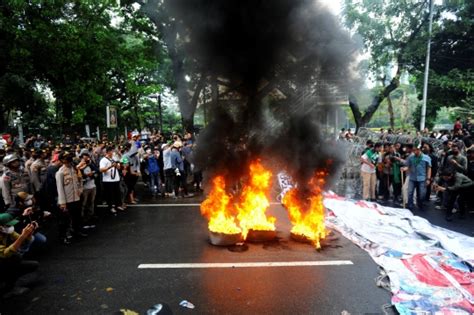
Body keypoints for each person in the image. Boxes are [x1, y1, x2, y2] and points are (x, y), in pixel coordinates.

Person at [0, 213, 39, 297]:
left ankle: (10, 280)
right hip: (2, 262)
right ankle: (9, 288)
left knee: (34, 265)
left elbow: (22, 241)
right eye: (8, 225)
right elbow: (5, 253)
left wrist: (29, 233)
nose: (10, 227)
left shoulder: (8, 231)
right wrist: (23, 235)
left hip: (6, 262)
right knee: (15, 257)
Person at [56, 151, 85, 239]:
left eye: (69, 157)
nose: (69, 159)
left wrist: (80, 189)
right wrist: (62, 202)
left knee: (77, 217)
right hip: (67, 200)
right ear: (61, 160)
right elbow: (60, 188)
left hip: (76, 197)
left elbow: (80, 180)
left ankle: (77, 232)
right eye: (66, 157)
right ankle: (64, 236)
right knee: (66, 220)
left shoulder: (74, 169)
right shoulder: (60, 172)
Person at [397, 144, 431, 211]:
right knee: (410, 192)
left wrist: (428, 179)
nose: (414, 152)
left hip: (422, 178)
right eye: (413, 150)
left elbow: (429, 168)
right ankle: (410, 206)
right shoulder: (411, 157)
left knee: (422, 194)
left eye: (415, 150)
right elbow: (408, 166)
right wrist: (404, 169)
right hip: (412, 178)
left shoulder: (426, 158)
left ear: (419, 150)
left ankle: (420, 204)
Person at [76, 150, 97, 227]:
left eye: (87, 156)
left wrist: (92, 174)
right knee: (83, 204)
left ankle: (90, 217)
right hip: (84, 188)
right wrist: (86, 175)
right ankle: (82, 219)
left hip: (92, 186)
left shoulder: (91, 164)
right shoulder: (78, 166)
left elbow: (97, 171)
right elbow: (79, 177)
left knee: (91, 203)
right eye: (84, 157)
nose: (86, 158)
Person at [99, 146, 123, 214]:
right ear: (108, 152)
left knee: (117, 193)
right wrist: (110, 166)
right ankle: (111, 207)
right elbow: (101, 170)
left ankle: (118, 205)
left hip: (116, 179)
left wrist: (117, 165)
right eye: (112, 151)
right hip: (108, 180)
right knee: (110, 195)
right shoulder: (103, 160)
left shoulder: (114, 159)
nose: (113, 153)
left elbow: (119, 167)